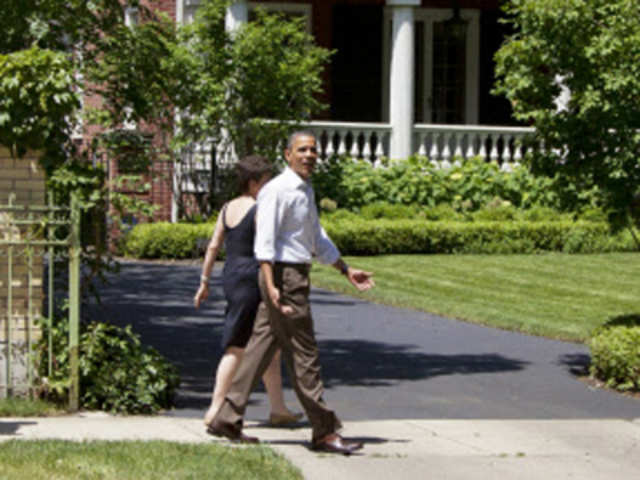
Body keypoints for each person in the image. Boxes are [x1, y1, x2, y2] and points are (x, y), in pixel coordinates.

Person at [208, 131, 375, 455]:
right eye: (303, 150)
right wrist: (271, 285)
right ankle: (324, 432)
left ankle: (226, 418)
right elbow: (265, 241)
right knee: (304, 355)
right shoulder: (278, 190)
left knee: (258, 349)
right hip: (283, 278)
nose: (310, 155)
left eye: (313, 150)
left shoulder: (303, 189)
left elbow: (315, 236)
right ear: (288, 154)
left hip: (290, 276)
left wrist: (345, 268)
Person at [194, 155, 301, 430]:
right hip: (253, 279)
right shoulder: (259, 208)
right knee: (237, 345)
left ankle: (278, 409)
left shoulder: (227, 207)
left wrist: (205, 280)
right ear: (253, 183)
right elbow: (269, 246)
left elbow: (213, 246)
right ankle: (215, 408)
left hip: (231, 276)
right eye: (266, 182)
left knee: (268, 344)